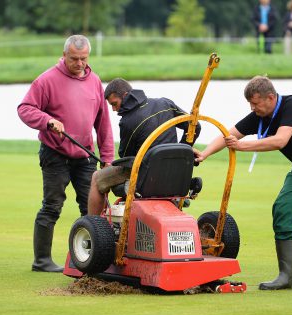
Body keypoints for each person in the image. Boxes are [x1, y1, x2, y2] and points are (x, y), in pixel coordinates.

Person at [194, 76, 292, 290]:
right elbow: (228, 135)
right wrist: (204, 154)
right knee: (282, 210)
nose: (252, 108)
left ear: (270, 97)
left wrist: (242, 147)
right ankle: (287, 277)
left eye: (255, 103)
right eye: (250, 104)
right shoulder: (260, 115)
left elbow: (280, 141)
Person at [17, 35, 114, 272]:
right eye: (74, 59)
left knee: (94, 208)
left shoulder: (94, 81)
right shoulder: (46, 80)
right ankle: (42, 261)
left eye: (83, 59)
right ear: (64, 56)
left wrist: (108, 159)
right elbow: (25, 109)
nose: (80, 64)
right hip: (55, 154)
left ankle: (95, 259)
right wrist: (47, 120)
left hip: (85, 157)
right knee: (52, 205)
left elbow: (103, 125)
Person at [88, 78, 201, 215]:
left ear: (125, 96)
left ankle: (93, 223)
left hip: (146, 174)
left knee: (96, 178)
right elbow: (194, 126)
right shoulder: (165, 103)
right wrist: (183, 152)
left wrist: (110, 164)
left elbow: (126, 157)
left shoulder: (127, 122)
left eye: (114, 104)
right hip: (174, 172)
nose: (113, 109)